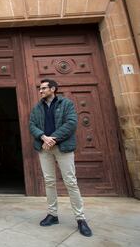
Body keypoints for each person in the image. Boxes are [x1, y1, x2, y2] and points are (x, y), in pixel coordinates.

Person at [29, 79, 92, 237]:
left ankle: (81, 219)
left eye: (44, 88)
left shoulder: (66, 104)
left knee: (70, 181)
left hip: (62, 147)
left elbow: (71, 123)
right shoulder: (37, 107)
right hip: (44, 148)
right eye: (40, 88)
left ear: (53, 89)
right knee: (49, 181)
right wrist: (43, 137)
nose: (41, 91)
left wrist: (53, 139)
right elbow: (32, 125)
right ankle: (52, 215)